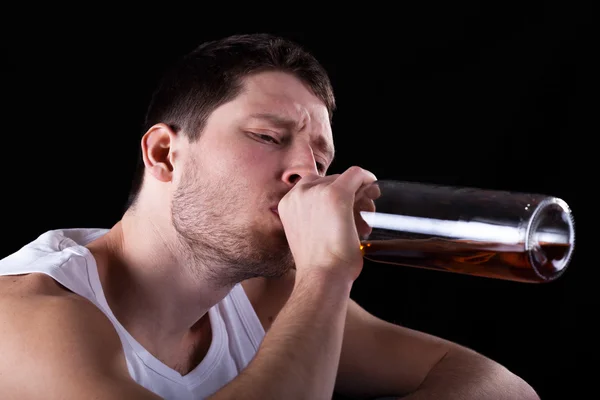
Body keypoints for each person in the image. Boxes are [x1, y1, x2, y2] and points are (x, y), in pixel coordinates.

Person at [0, 33, 540, 400]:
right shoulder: (27, 317)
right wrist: (325, 276)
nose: (307, 175)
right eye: (267, 137)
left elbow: (501, 384)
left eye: (320, 159)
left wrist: (316, 285)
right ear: (165, 154)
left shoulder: (264, 300)